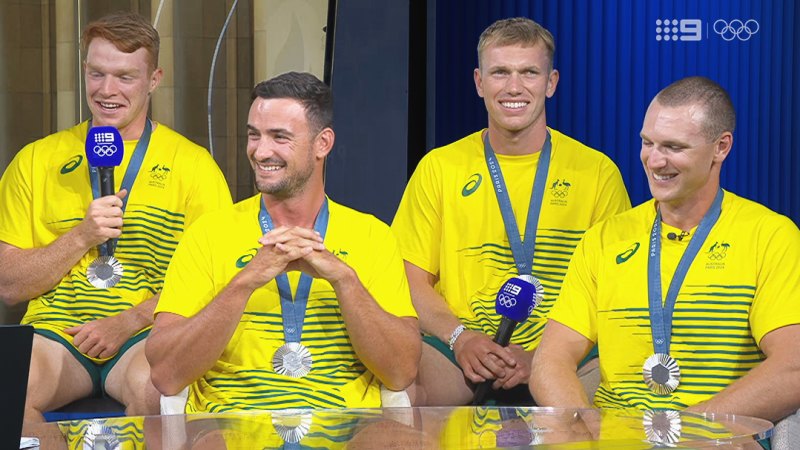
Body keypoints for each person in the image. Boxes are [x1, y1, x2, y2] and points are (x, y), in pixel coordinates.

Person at [0, 11, 232, 421]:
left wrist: (129, 320)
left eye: (125, 77)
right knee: (8, 390)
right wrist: (81, 236)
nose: (107, 90)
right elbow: (8, 286)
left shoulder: (195, 167)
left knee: (159, 396)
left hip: (145, 334)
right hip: (56, 335)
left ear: (154, 80)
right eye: (97, 74)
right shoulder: (35, 160)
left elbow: (215, 286)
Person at [531, 76, 800, 424]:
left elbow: (792, 366)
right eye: (647, 143)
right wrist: (581, 424)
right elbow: (550, 360)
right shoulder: (604, 239)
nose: (654, 161)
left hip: (716, 438)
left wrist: (685, 431)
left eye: (674, 147)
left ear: (721, 147)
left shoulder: (770, 236)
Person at [146, 71, 421, 412]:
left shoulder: (372, 236)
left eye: (279, 137)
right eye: (254, 136)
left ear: (323, 143)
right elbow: (165, 374)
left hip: (346, 429)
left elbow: (402, 372)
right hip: (230, 429)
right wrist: (245, 282)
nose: (261, 152)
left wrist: (344, 280)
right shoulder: (208, 234)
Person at [392, 16, 631, 406]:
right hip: (459, 353)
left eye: (529, 72)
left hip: (566, 356)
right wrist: (461, 338)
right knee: (396, 384)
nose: (514, 87)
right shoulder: (439, 167)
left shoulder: (596, 172)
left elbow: (616, 292)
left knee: (611, 374)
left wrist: (545, 357)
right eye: (500, 72)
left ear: (551, 83)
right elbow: (409, 281)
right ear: (479, 82)